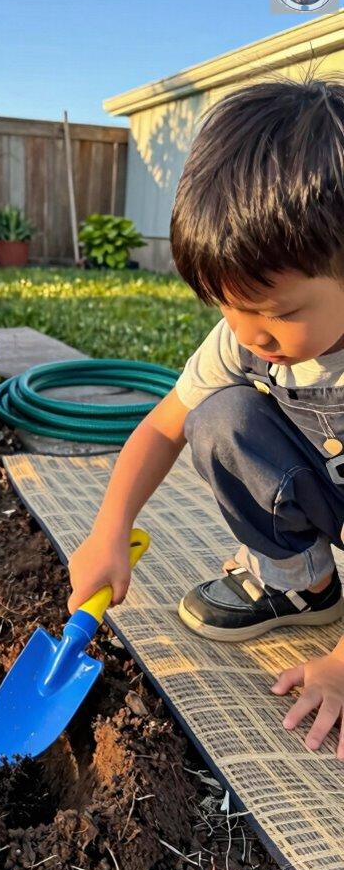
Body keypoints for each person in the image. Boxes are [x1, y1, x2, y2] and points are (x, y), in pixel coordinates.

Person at [67, 78, 344, 759]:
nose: (251, 335)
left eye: (279, 313)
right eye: (227, 307)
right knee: (218, 416)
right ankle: (308, 589)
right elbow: (161, 427)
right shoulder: (247, 339)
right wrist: (109, 528)